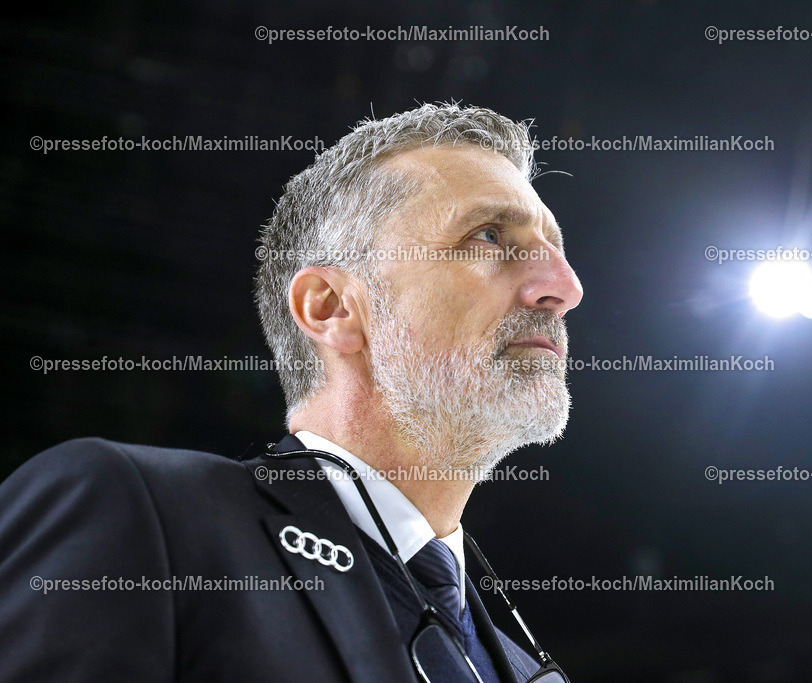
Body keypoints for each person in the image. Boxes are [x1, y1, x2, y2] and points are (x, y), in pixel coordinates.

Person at [0, 102, 583, 682]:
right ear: (330, 308)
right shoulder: (145, 516)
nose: (565, 286)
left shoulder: (523, 667)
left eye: (555, 249)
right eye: (489, 236)